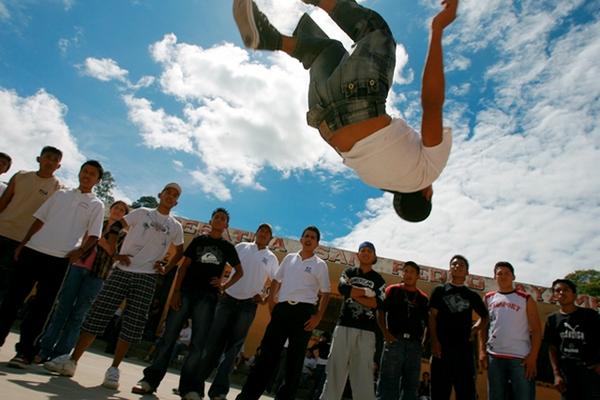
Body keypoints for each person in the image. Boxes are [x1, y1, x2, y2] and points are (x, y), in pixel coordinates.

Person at [233, 0, 458, 222]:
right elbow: (342, 148)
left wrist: (437, 31)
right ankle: (270, 38)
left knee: (377, 32)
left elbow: (431, 103)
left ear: (428, 194)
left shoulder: (429, 172)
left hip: (360, 101)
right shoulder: (375, 179)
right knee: (328, 50)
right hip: (323, 114)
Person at [44, 183, 185, 390]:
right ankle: (72, 360)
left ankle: (114, 369)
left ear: (176, 202)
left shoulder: (175, 226)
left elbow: (180, 251)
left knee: (132, 323)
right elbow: (115, 227)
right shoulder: (142, 213)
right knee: (98, 314)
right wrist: (113, 252)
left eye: (175, 195)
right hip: (122, 270)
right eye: (168, 192)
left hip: (147, 277)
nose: (170, 196)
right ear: (160, 194)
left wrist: (166, 266)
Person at [0, 160, 105, 368]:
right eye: (84, 171)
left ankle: (25, 353)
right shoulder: (61, 194)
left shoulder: (96, 204)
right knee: (12, 300)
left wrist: (80, 251)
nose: (86, 176)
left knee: (42, 307)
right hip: (33, 250)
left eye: (92, 174)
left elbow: (94, 236)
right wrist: (24, 243)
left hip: (59, 259)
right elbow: (39, 219)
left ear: (98, 180)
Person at [131, 207, 242, 400]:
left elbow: (239, 272)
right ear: (211, 221)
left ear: (226, 225)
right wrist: (176, 292)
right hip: (186, 293)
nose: (218, 220)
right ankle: (150, 381)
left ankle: (190, 389)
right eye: (216, 217)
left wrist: (224, 285)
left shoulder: (228, 247)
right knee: (168, 338)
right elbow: (183, 267)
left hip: (207, 299)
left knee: (198, 345)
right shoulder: (199, 240)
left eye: (222, 218)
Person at [236, 225, 331, 400]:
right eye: (306, 236)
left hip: (304, 312)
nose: (309, 239)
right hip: (282, 309)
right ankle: (248, 396)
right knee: (266, 355)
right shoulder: (289, 258)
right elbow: (276, 280)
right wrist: (272, 302)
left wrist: (318, 316)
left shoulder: (320, 265)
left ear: (317, 243)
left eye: (313, 237)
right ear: (301, 240)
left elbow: (326, 293)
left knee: (294, 362)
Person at [188, 223, 279, 400]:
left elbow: (275, 281)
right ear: (256, 233)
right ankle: (195, 388)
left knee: (233, 350)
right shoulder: (241, 247)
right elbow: (223, 265)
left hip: (248, 305)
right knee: (212, 345)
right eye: (261, 230)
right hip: (227, 300)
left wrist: (266, 297)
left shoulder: (271, 257)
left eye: (267, 232)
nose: (263, 233)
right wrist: (222, 284)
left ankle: (219, 392)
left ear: (270, 238)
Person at [35, 200, 130, 363]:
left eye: (122, 210)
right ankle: (44, 349)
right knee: (62, 309)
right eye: (116, 208)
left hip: (98, 274)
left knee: (79, 315)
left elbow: (115, 255)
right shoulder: (97, 223)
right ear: (111, 209)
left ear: (125, 215)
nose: (118, 211)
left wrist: (103, 242)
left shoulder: (123, 235)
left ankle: (61, 355)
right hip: (78, 267)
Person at [320, 241, 385, 400]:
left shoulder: (379, 280)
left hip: (367, 331)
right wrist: (365, 292)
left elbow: (377, 303)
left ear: (374, 256)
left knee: (363, 376)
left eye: (369, 250)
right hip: (344, 326)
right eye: (362, 250)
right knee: (335, 370)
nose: (365, 252)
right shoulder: (348, 272)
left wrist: (354, 293)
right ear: (357, 255)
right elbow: (342, 288)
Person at [0, 146, 62, 305]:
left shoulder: (58, 189)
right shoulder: (21, 176)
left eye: (55, 160)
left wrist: (27, 243)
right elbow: (4, 201)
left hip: (23, 243)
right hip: (2, 230)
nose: (51, 162)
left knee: (6, 287)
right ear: (39, 159)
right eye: (48, 157)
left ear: (59, 166)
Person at [478, 262, 542, 400]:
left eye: (507, 273)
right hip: (494, 357)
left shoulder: (526, 298)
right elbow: (483, 326)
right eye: (499, 273)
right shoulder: (488, 298)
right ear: (494, 277)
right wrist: (482, 351)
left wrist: (533, 356)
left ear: (513, 276)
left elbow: (537, 330)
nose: (503, 276)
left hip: (520, 359)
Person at [428, 255, 488, 400]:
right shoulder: (440, 291)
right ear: (450, 269)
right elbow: (432, 317)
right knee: (439, 392)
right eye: (454, 264)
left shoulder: (472, 295)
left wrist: (474, 330)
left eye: (461, 265)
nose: (457, 267)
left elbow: (485, 317)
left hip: (464, 352)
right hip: (442, 349)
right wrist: (434, 341)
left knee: (466, 392)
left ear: (467, 272)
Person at [377, 261, 429, 400]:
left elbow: (429, 323)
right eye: (406, 271)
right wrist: (385, 333)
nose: (408, 274)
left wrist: (423, 341)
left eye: (412, 272)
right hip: (394, 341)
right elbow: (380, 311)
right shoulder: (392, 290)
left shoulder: (423, 298)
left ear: (418, 276)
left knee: (411, 385)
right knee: (388, 381)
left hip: (414, 345)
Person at [544, 279, 600, 400]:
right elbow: (552, 347)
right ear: (554, 296)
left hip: (590, 372)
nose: (561, 293)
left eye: (566, 290)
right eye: (557, 291)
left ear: (574, 294)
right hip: (567, 374)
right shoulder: (552, 319)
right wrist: (556, 375)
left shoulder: (590, 315)